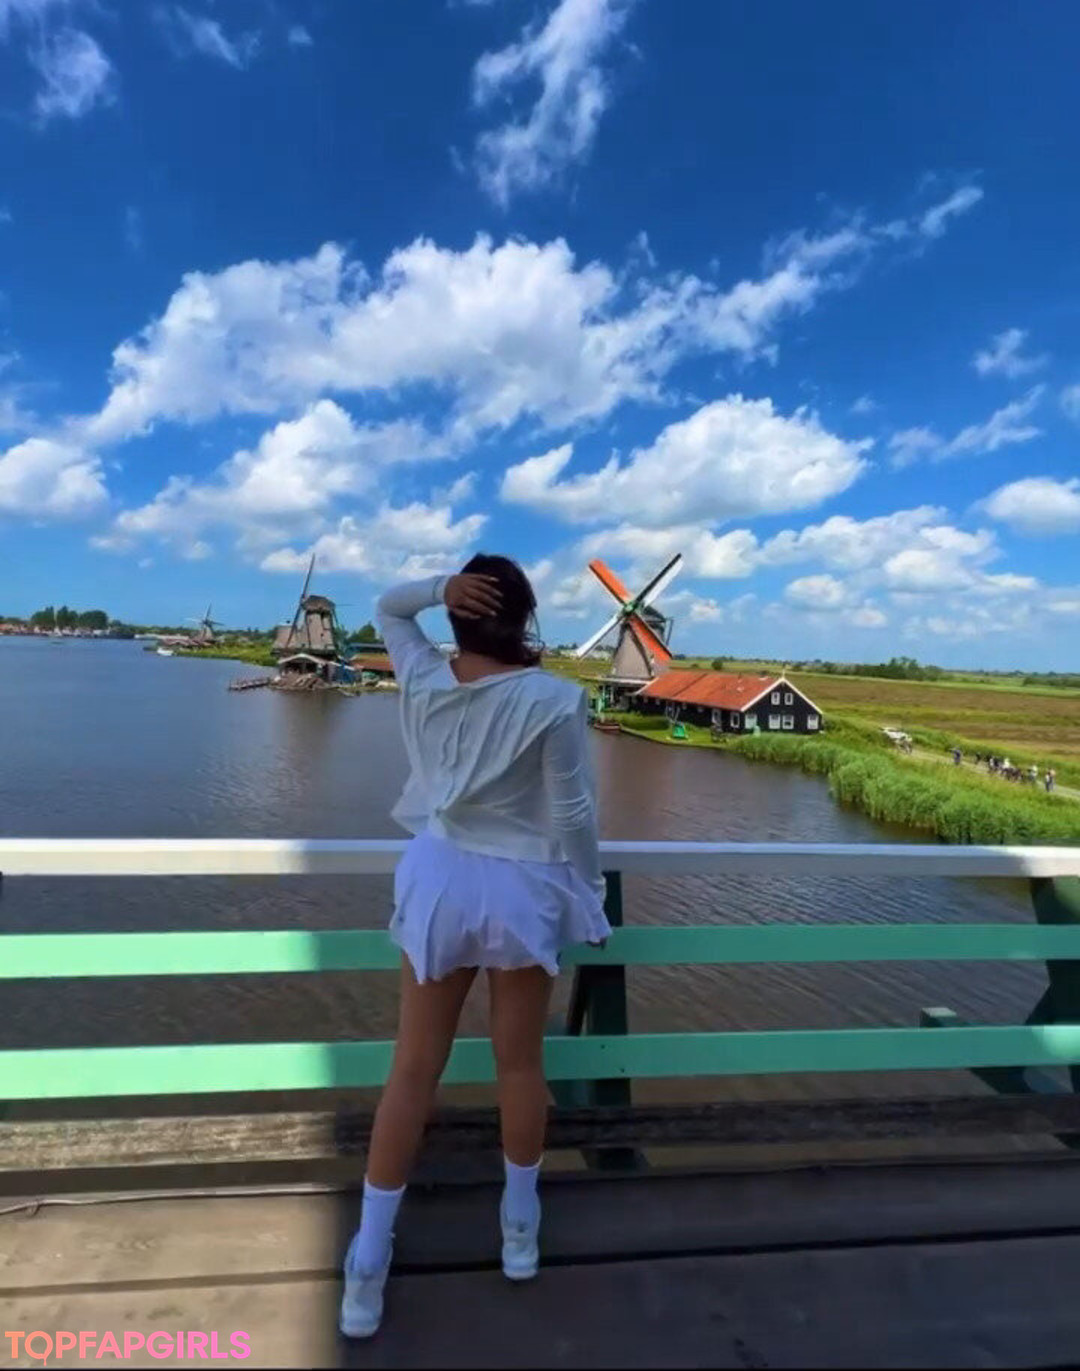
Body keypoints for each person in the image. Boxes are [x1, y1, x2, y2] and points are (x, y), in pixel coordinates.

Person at [340, 556, 611, 1340]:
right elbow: (573, 814)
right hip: (522, 888)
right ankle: (518, 1232)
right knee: (519, 1065)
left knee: (412, 1069)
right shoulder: (554, 699)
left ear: (459, 614)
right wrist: (590, 889)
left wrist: (436, 590)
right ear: (524, 618)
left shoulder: (423, 676)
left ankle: (367, 1261)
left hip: (440, 880)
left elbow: (389, 608)